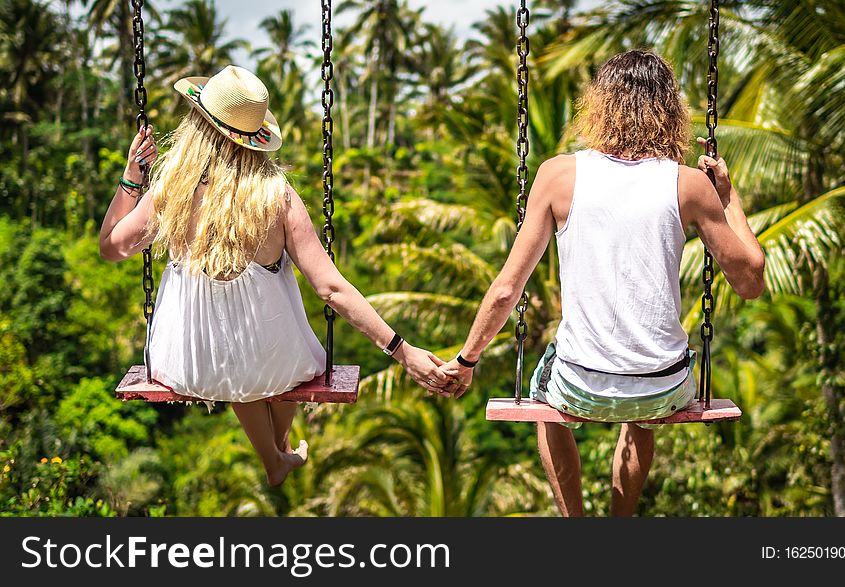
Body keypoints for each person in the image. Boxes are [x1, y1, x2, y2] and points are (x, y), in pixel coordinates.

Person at [440, 50, 765, 516]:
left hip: (579, 384)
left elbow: (507, 289)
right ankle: (620, 521)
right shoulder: (689, 184)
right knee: (645, 412)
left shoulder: (558, 175)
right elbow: (751, 280)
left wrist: (467, 359)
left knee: (542, 397)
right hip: (663, 387)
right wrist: (727, 195)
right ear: (671, 111)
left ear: (599, 105)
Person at [99, 65, 447, 487]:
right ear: (254, 138)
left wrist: (131, 180)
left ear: (196, 125)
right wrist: (402, 350)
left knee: (238, 363)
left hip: (186, 364)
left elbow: (112, 247)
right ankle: (277, 451)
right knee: (289, 359)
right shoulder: (275, 196)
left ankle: (275, 458)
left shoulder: (169, 190)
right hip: (270, 364)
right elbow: (331, 288)